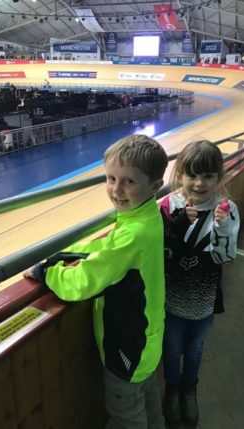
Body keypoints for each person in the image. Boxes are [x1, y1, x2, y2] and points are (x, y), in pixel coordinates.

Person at [24, 134, 169, 429]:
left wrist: (47, 273)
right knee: (151, 407)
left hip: (129, 347)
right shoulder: (145, 216)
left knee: (127, 417)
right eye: (111, 178)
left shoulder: (133, 234)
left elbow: (83, 283)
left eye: (129, 181)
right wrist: (69, 254)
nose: (116, 189)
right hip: (150, 342)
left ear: (154, 186)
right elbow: (110, 250)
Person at [160, 140, 240, 428]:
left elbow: (226, 256)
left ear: (219, 178)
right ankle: (172, 389)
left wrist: (224, 228)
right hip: (171, 301)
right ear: (180, 175)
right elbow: (162, 252)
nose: (199, 183)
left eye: (207, 176)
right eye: (192, 175)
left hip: (204, 301)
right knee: (171, 350)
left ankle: (188, 389)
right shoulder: (169, 206)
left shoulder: (227, 208)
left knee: (194, 349)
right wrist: (178, 226)